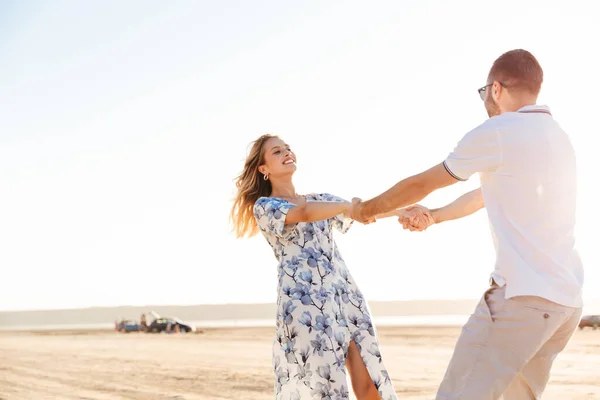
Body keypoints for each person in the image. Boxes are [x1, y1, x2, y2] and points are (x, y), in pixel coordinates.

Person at [351, 49, 583, 399]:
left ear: (495, 89)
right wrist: (434, 216)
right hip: (564, 304)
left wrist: (367, 209)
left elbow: (422, 183)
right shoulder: (557, 136)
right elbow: (484, 195)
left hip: (521, 300)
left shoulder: (500, 130)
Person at [230, 134, 402, 400]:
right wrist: (347, 206)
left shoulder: (321, 198)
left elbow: (363, 211)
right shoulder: (266, 207)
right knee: (325, 387)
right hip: (305, 304)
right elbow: (306, 214)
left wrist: (403, 211)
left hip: (343, 295)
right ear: (263, 169)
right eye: (277, 152)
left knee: (370, 379)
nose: (287, 152)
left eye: (287, 148)